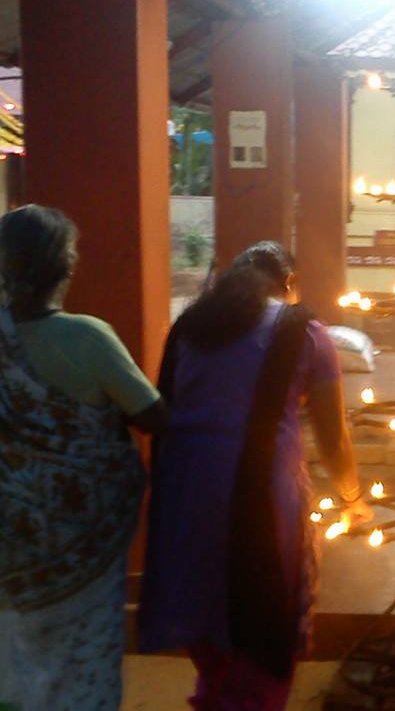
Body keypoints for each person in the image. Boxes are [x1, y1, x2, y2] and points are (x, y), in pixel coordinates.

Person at [138, 241, 372, 710]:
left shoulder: (191, 325)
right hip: (260, 501)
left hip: (183, 493)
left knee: (208, 622)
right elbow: (333, 438)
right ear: (287, 283)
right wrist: (353, 498)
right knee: (262, 632)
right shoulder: (302, 330)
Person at [0, 205, 165, 710]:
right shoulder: (88, 338)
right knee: (82, 670)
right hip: (84, 552)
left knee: (13, 666)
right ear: (64, 269)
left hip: (8, 547)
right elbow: (153, 417)